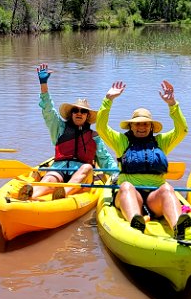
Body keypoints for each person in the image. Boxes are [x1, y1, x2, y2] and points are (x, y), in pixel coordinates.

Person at [96, 80, 191, 236]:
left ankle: (177, 226)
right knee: (126, 186)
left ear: (151, 127)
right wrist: (108, 100)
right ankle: (136, 221)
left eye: (145, 124)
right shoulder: (122, 141)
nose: (141, 127)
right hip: (129, 196)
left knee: (167, 189)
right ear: (131, 126)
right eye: (137, 124)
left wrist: (172, 104)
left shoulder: (161, 142)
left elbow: (182, 130)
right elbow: (101, 127)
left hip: (156, 199)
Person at [17, 63, 118, 201]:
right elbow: (48, 111)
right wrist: (43, 85)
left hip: (82, 174)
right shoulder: (60, 128)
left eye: (83, 111)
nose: (79, 113)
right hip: (60, 169)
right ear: (71, 114)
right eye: (75, 110)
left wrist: (117, 174)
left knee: (87, 167)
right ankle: (29, 196)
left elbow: (105, 160)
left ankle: (63, 193)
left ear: (87, 116)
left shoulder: (94, 137)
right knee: (51, 177)